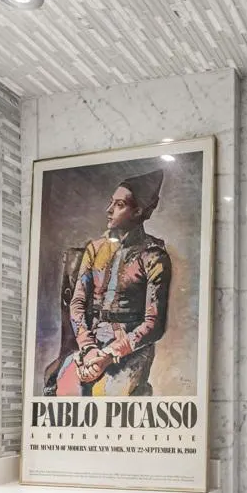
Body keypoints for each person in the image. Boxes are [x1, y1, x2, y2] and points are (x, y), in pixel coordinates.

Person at [52, 169, 172, 396]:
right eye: (111, 202)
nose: (109, 210)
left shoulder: (153, 256)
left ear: (138, 211)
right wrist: (88, 347)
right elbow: (77, 303)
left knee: (111, 397)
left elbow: (154, 324)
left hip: (131, 350)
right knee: (64, 390)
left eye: (119, 205)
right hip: (90, 345)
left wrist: (108, 355)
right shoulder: (95, 249)